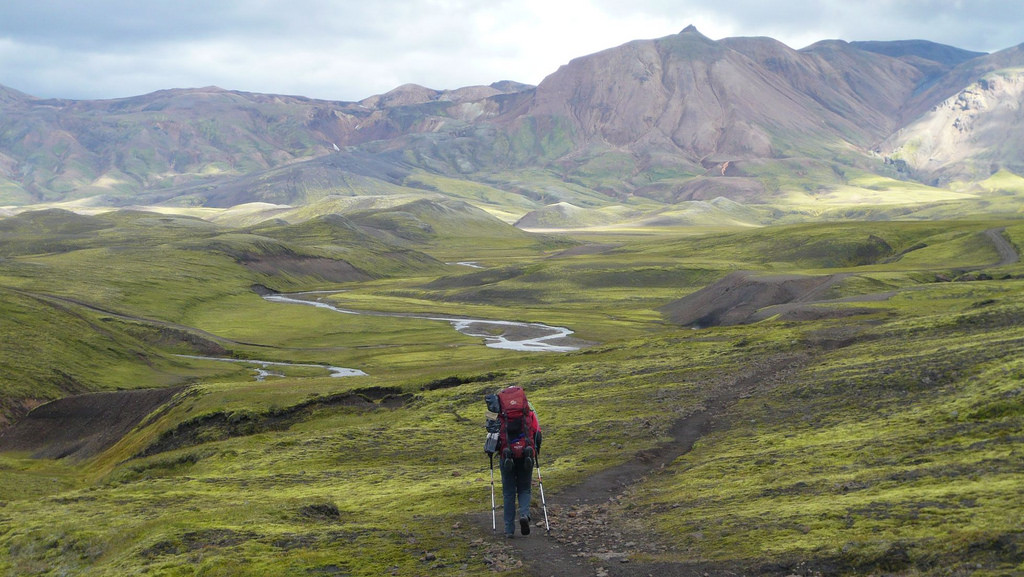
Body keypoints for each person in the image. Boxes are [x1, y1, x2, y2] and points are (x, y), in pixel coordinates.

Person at [486, 386, 542, 538]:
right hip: (527, 453)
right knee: (524, 489)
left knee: (508, 492)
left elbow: (489, 430)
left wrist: (491, 451)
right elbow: (537, 431)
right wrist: (536, 450)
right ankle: (524, 514)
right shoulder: (528, 408)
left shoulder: (495, 409)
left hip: (506, 454)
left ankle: (509, 530)